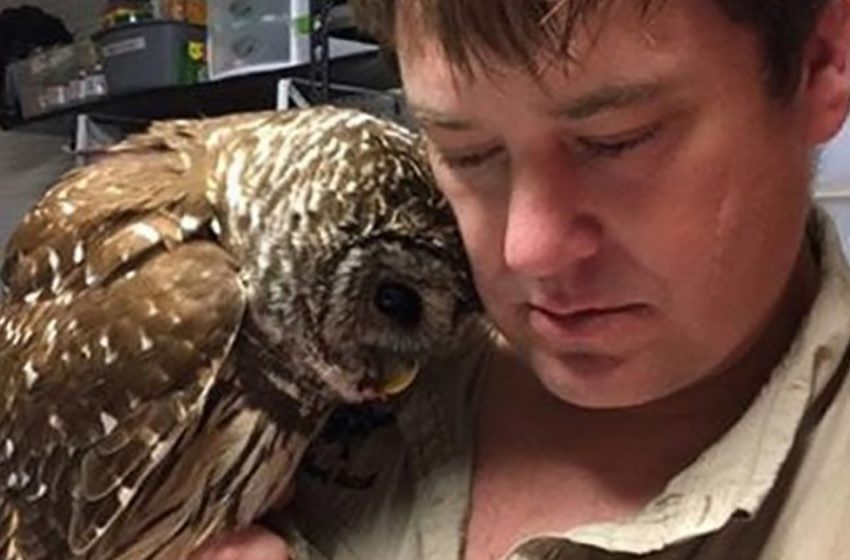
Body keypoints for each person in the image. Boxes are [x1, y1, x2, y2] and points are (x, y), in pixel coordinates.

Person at [193, 0, 850, 558]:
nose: (527, 248)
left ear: (823, 64)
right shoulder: (341, 346)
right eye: (466, 153)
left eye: (618, 140)